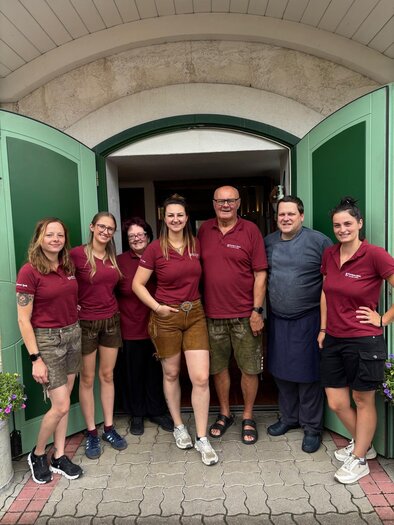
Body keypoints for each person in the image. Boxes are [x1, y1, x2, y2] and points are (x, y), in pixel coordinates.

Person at [132, 194, 218, 466]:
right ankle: (180, 426)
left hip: (194, 314)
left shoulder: (196, 245)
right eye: (171, 215)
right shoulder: (155, 248)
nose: (176, 219)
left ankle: (203, 438)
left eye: (180, 215)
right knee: (170, 372)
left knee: (201, 377)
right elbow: (137, 284)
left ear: (186, 217)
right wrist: (157, 308)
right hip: (166, 316)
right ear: (164, 218)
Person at [318, 196, 394, 483]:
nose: (342, 229)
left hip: (365, 340)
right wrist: (324, 328)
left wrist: (383, 319)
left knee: (363, 400)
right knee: (337, 402)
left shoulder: (375, 254)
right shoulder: (330, 254)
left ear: (359, 224)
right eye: (337, 224)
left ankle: (360, 457)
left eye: (348, 223)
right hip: (334, 338)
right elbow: (326, 292)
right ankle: (364, 444)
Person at [198, 185, 267, 445]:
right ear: (213, 203)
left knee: (249, 368)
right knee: (218, 369)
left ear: (238, 203)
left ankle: (248, 415)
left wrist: (257, 311)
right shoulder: (204, 230)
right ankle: (225, 413)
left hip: (245, 316)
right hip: (211, 315)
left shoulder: (250, 231)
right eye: (220, 201)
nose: (225, 205)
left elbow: (261, 273)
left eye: (230, 201)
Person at [16, 217, 83, 484]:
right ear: (39, 238)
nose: (55, 239)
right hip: (48, 341)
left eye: (60, 235)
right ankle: (38, 453)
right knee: (61, 404)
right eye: (49, 234)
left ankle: (58, 456)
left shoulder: (67, 265)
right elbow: (23, 319)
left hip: (73, 335)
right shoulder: (29, 271)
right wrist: (36, 359)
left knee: (64, 403)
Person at [264, 196, 332, 453]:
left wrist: (326, 326)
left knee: (308, 375)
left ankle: (312, 427)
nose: (286, 218)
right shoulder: (268, 242)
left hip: (309, 319)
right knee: (281, 373)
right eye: (282, 214)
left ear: (301, 216)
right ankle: (289, 419)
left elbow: (331, 282)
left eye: (291, 214)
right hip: (279, 320)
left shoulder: (319, 241)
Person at [70, 212, 127, 459]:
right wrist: (72, 306)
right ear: (92, 227)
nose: (105, 231)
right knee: (87, 378)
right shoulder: (76, 255)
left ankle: (109, 428)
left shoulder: (113, 257)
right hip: (85, 325)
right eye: (101, 226)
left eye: (110, 228)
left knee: (107, 375)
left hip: (111, 321)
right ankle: (92, 433)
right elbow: (62, 283)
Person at [116, 217, 173, 435]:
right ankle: (137, 414)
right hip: (131, 324)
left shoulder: (161, 256)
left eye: (140, 234)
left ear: (148, 236)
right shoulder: (120, 261)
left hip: (160, 325)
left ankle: (157, 411)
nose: (137, 238)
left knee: (157, 372)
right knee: (134, 372)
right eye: (132, 236)